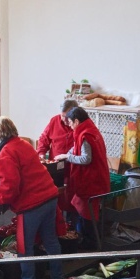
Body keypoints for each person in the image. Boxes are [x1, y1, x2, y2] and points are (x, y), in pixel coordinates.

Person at [0, 116, 63, 279]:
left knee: (25, 247)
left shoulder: (5, 154)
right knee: (50, 239)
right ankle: (57, 277)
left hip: (32, 205)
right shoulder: (24, 144)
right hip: (50, 196)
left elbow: (9, 190)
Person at [54, 107, 110, 250]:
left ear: (77, 121)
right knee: (83, 210)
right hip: (95, 180)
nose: (70, 126)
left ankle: (89, 245)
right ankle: (86, 241)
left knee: (87, 214)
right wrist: (65, 154)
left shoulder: (85, 135)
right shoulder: (91, 130)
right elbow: (76, 147)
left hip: (91, 182)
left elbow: (86, 158)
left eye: (71, 123)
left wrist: (67, 157)